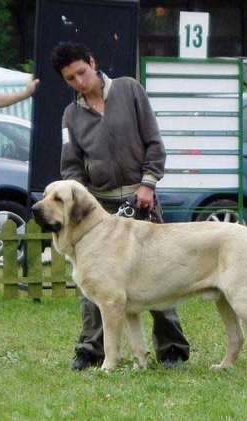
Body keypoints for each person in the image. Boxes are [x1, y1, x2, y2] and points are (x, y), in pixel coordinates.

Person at [50, 42, 190, 371]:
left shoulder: (130, 90)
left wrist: (148, 182)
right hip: (97, 209)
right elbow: (70, 167)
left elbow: (154, 141)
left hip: (141, 199)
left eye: (82, 73)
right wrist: (83, 200)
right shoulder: (70, 116)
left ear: (93, 62)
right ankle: (90, 350)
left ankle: (172, 349)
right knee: (94, 283)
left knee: (159, 275)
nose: (79, 82)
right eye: (70, 79)